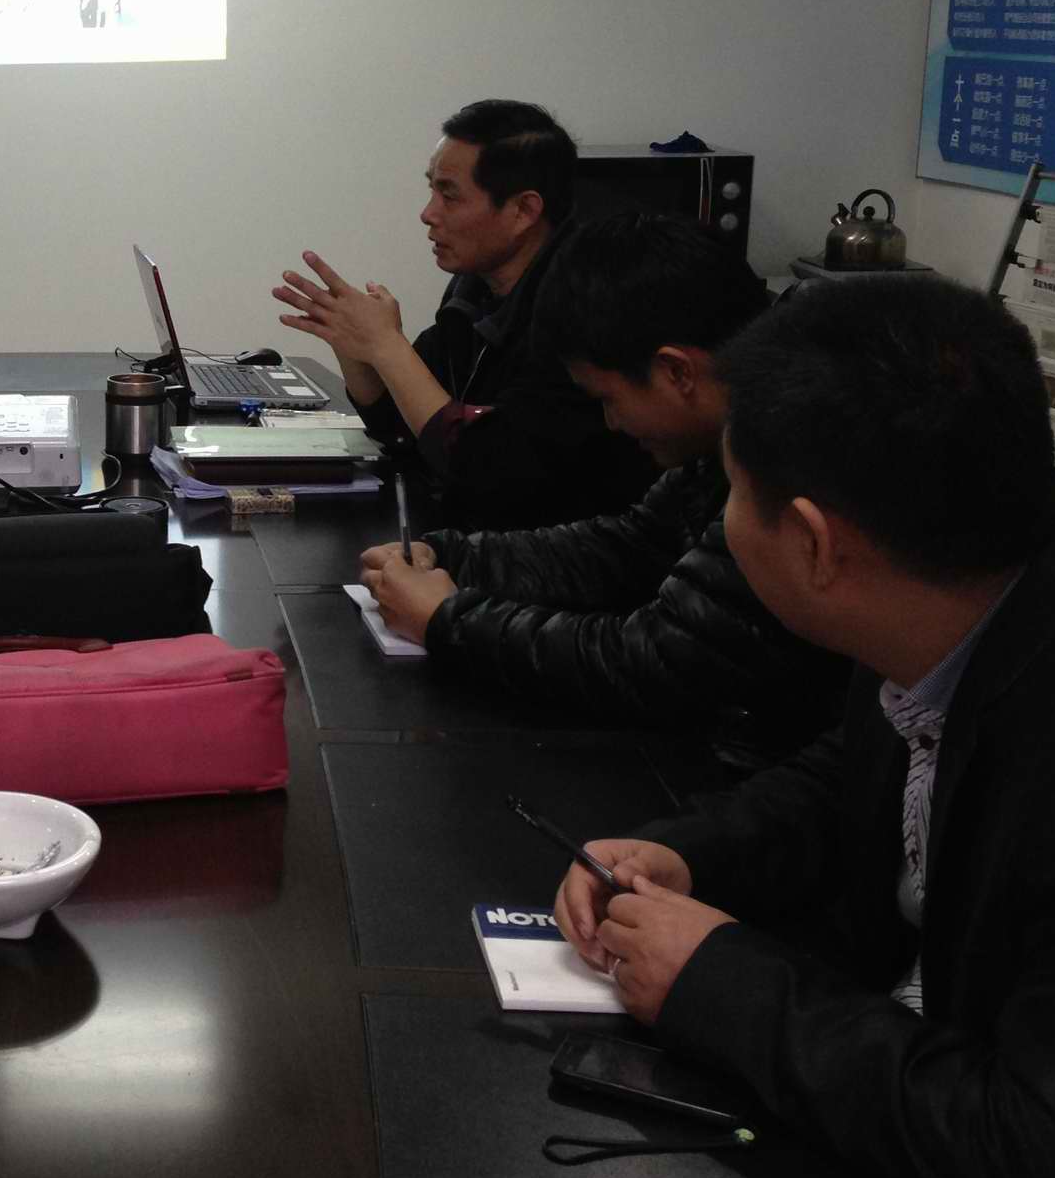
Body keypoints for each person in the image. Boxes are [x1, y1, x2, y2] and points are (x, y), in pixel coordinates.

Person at [550, 275, 1055, 1178]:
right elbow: (855, 778)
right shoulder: (950, 599)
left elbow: (1044, 1159)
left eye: (736, 493)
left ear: (816, 544)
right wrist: (690, 854)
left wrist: (720, 980)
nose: (724, 519)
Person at [356, 212, 848, 769]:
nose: (610, 423)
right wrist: (453, 556)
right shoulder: (731, 427)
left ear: (677, 372)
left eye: (608, 399)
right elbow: (629, 544)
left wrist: (448, 621)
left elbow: (653, 661)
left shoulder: (789, 458)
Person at [273, 99, 651, 529]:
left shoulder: (580, 310)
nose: (427, 213)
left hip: (545, 548)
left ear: (524, 211)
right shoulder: (474, 287)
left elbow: (487, 469)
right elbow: (405, 428)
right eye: (431, 189)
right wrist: (354, 346)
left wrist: (387, 346)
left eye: (449, 195)